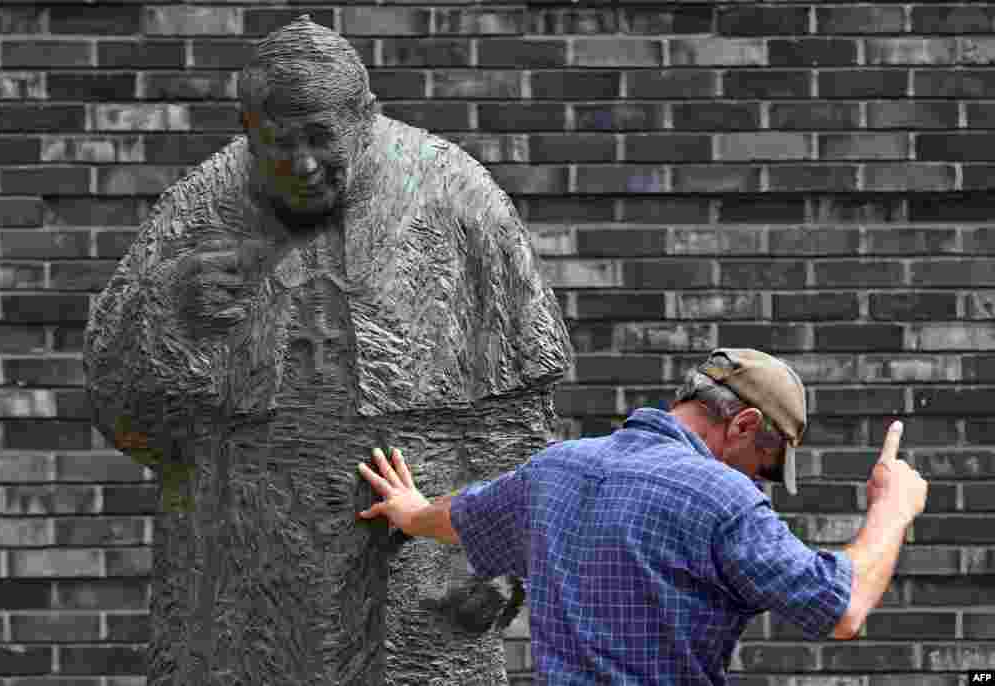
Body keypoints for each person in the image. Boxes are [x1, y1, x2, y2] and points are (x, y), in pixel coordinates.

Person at [83, 15, 571, 686]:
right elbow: (125, 418)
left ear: (364, 119)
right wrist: (164, 311)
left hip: (413, 577)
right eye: (280, 144)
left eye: (322, 138)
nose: (304, 165)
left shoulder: (460, 202)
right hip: (239, 576)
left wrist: (503, 557)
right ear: (249, 129)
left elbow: (523, 419)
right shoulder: (198, 212)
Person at [358, 348, 929, 685]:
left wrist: (410, 515)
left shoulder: (557, 470)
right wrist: (892, 507)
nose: (760, 480)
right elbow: (844, 609)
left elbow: (464, 516)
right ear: (745, 425)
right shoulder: (723, 499)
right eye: (767, 464)